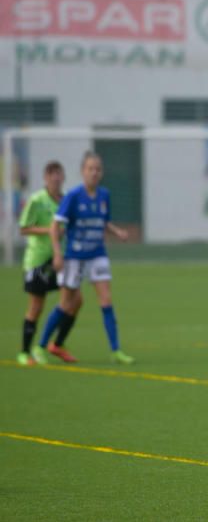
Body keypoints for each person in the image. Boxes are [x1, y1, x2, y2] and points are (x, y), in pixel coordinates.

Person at [31, 151, 135, 365]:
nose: (94, 173)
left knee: (106, 300)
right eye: (90, 169)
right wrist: (58, 255)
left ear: (102, 172)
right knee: (66, 304)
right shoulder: (73, 196)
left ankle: (116, 351)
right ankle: (40, 346)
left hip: (97, 255)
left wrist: (118, 232)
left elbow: (103, 222)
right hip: (74, 258)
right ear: (82, 171)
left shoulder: (104, 195)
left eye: (98, 169)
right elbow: (54, 226)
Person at [17, 161, 82, 365]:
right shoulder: (37, 200)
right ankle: (25, 352)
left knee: (76, 300)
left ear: (63, 177)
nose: (56, 178)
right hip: (38, 259)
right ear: (45, 178)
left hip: (61, 259)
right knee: (37, 305)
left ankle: (57, 344)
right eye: (51, 174)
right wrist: (49, 230)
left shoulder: (66, 200)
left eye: (59, 174)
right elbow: (24, 228)